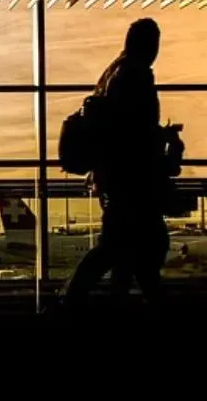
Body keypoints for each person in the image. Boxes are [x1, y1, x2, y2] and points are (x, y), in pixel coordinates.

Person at [60, 18, 178, 314]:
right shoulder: (134, 76)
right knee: (137, 248)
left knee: (122, 248)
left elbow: (120, 130)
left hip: (116, 179)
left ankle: (94, 303)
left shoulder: (114, 74)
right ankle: (77, 302)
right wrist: (161, 140)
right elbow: (132, 133)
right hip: (131, 181)